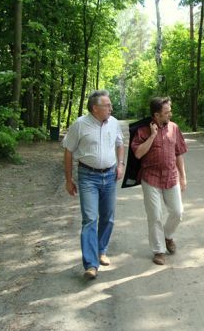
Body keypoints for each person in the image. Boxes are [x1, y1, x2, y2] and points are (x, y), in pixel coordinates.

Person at [62, 90, 125, 279]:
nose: (111, 108)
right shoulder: (80, 125)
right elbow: (68, 151)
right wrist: (68, 179)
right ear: (95, 108)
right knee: (90, 218)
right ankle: (90, 264)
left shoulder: (113, 123)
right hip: (88, 176)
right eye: (107, 105)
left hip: (110, 176)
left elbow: (120, 144)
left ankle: (101, 250)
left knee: (108, 217)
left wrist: (121, 164)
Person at [131, 96, 187, 265]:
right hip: (151, 178)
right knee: (155, 216)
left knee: (178, 213)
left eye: (170, 111)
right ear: (156, 115)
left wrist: (183, 176)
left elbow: (178, 153)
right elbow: (138, 153)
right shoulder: (142, 131)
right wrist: (152, 136)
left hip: (171, 177)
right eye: (166, 112)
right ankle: (158, 250)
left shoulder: (174, 128)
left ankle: (167, 236)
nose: (170, 114)